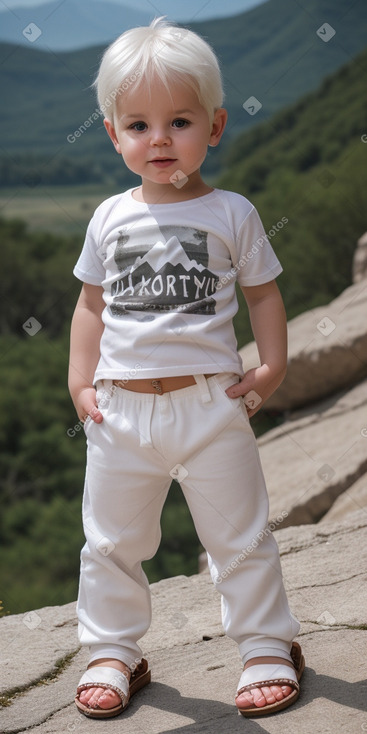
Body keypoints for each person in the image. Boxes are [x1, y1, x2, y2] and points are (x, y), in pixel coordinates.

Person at [69, 17, 304, 719]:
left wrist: (271, 367)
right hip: (120, 410)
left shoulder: (231, 212)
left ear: (215, 125)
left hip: (210, 404)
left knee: (239, 535)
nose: (160, 139)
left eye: (178, 120)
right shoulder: (109, 217)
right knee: (109, 541)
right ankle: (113, 650)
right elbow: (89, 304)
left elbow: (263, 292)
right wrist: (80, 381)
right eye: (138, 125)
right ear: (113, 135)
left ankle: (265, 645)